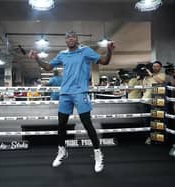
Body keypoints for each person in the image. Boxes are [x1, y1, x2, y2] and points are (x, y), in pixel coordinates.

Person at [28, 31, 115, 172]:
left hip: (80, 92)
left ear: (77, 39)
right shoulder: (62, 54)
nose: (70, 39)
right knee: (61, 124)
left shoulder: (85, 51)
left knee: (87, 123)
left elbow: (105, 61)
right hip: (65, 93)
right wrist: (37, 58)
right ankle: (62, 151)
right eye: (68, 37)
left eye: (73, 36)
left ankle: (98, 154)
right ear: (65, 40)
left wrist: (109, 51)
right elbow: (48, 67)